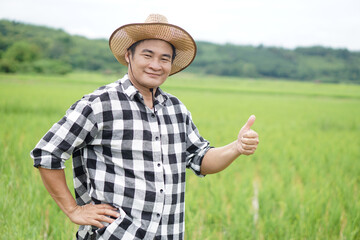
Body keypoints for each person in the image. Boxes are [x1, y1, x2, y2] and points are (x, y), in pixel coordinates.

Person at [30, 14, 259, 240]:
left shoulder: (176, 109)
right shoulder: (101, 104)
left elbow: (200, 160)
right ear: (129, 55)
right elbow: (48, 152)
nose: (155, 65)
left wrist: (237, 147)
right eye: (147, 55)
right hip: (115, 235)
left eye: (164, 58)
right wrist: (73, 210)